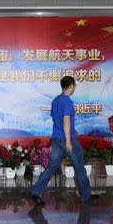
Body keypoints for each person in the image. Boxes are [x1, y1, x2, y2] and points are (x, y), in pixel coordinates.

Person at [30, 76, 97, 206]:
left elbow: (57, 120)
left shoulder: (55, 100)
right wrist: (68, 140)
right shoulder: (67, 101)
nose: (75, 88)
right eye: (74, 85)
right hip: (67, 139)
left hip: (56, 138)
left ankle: (36, 192)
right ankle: (86, 196)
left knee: (51, 167)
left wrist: (69, 131)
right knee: (79, 167)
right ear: (71, 86)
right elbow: (66, 120)